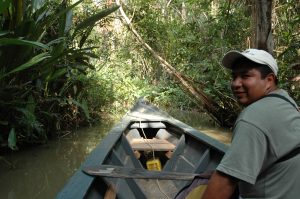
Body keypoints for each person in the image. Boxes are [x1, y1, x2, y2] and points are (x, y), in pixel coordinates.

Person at [202, 49, 300, 199]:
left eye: (245, 76)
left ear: (269, 80)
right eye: (234, 77)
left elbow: (224, 184)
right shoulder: (287, 101)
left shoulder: (253, 117)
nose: (235, 83)